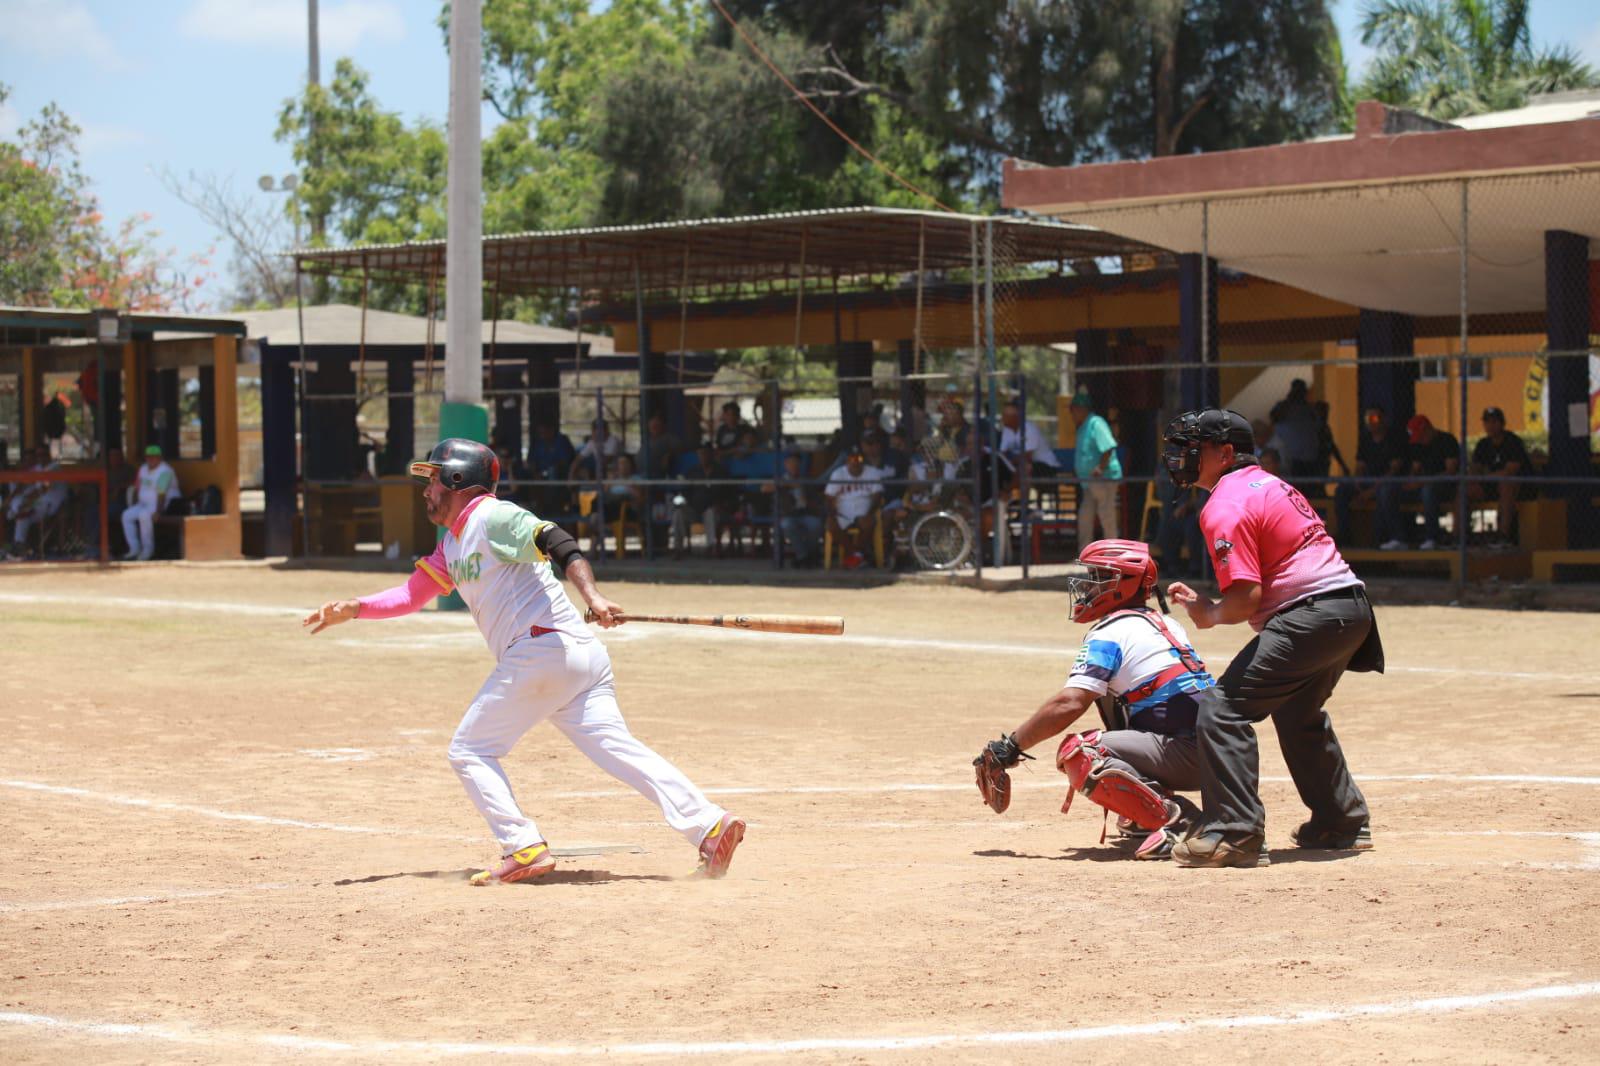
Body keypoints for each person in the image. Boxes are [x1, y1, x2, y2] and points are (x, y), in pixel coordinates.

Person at [302, 438, 745, 883]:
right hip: (573, 656)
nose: (426, 490)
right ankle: (708, 824)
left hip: (542, 651)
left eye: (433, 479)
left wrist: (591, 593)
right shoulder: (452, 544)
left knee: (470, 750)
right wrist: (355, 607)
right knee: (617, 749)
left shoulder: (493, 516)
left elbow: (556, 539)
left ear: (458, 479)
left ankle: (522, 846)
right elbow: (410, 595)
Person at [1161, 409, 1384, 869]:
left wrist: (1209, 614)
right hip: (1351, 609)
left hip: (1313, 615)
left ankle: (1235, 832)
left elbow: (1245, 599)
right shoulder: (1269, 483)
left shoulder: (1225, 502)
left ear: (1224, 454)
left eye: (1193, 448)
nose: (1182, 457)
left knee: (1221, 710)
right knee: (1298, 710)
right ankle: (1341, 820)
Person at [971, 539, 1215, 860]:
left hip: (1191, 752)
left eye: (1099, 577)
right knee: (1115, 706)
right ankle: (1152, 810)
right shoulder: (1166, 623)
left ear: (1125, 584)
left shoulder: (1111, 631)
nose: (1088, 586)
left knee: (1082, 752)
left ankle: (1177, 820)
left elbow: (1070, 703)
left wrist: (1010, 747)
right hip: (1221, 750)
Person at [1334, 407, 1407, 550]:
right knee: (1342, 490)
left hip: (1389, 483)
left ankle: (1392, 538)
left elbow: (1394, 470)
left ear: (1384, 420)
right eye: (1368, 419)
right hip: (1368, 481)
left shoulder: (1394, 440)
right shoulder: (1365, 440)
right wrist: (1358, 484)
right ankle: (1344, 535)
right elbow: (1360, 466)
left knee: (1384, 493)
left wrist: (1372, 491)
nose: (1371, 423)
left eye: (1375, 418)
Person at [1066, 392, 1121, 554]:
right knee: (1085, 516)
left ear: (1081, 409)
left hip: (1104, 479)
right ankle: (1085, 555)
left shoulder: (1096, 423)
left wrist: (1100, 468)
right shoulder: (1082, 427)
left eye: (1073, 410)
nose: (1071, 414)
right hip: (1090, 482)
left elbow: (1109, 447)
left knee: (1106, 516)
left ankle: (1113, 556)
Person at [1469, 406, 1529, 549]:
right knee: (1465, 488)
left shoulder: (1513, 441)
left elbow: (1509, 471)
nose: (1490, 426)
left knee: (1506, 484)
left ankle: (1503, 536)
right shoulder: (1483, 444)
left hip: (1520, 489)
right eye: (1487, 422)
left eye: (1494, 422)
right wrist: (1479, 476)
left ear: (1502, 423)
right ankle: (1459, 537)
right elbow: (1475, 470)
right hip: (1490, 485)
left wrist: (1485, 475)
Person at [1406, 414, 1459, 550]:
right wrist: (1410, 481)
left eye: (1421, 436)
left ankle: (1432, 537)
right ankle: (1398, 537)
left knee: (1428, 491)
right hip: (1423, 486)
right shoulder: (1419, 446)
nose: (1420, 440)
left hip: (1446, 487)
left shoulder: (1447, 440)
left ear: (1427, 429)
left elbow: (1451, 471)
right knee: (1390, 491)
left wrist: (1425, 481)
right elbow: (1415, 469)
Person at [824, 447, 884, 567]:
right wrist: (832, 513)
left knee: (868, 522)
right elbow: (828, 497)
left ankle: (853, 557)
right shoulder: (838, 473)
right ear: (847, 461)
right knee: (830, 524)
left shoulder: (872, 472)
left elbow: (878, 496)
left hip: (864, 512)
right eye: (852, 459)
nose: (855, 462)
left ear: (863, 461)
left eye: (859, 459)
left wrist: (870, 512)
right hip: (843, 513)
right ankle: (857, 555)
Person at [121, 444, 179, 561]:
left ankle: (148, 550)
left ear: (160, 457)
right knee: (126, 515)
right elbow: (137, 487)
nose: (151, 459)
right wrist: (134, 504)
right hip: (144, 504)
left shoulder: (165, 470)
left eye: (154, 457)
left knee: (144, 516)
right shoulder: (143, 469)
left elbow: (161, 494)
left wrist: (158, 512)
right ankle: (134, 548)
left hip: (164, 504)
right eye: (148, 457)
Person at [771, 451, 823, 566]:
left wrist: (807, 501)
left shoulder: (807, 479)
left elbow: (816, 501)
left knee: (816, 524)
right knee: (787, 525)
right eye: (791, 463)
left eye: (796, 463)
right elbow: (764, 488)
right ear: (786, 464)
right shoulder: (780, 479)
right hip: (789, 515)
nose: (794, 466)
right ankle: (803, 556)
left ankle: (808, 554)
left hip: (806, 513)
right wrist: (788, 484)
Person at [1000, 399, 1062, 492]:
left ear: (1015, 417)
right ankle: (1004, 498)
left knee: (1025, 467)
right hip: (1023, 465)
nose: (1002, 418)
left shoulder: (1029, 429)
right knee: (998, 468)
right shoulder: (1007, 430)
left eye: (1005, 416)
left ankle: (1019, 501)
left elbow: (1027, 456)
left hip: (1047, 468)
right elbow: (1002, 454)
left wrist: (1009, 462)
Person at [1268, 379, 1320, 478]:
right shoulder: (1283, 407)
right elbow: (1273, 417)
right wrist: (1287, 404)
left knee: (1308, 487)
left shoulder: (1309, 409)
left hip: (1308, 456)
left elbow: (1317, 427)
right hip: (1289, 456)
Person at [528, 420, 577, 516]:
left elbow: (565, 461)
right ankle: (538, 509)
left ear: (552, 430)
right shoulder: (538, 442)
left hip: (560, 476)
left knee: (553, 472)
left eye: (545, 432)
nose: (543, 435)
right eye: (540, 433)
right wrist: (535, 473)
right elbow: (531, 461)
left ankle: (554, 509)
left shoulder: (561, 440)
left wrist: (551, 469)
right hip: (541, 476)